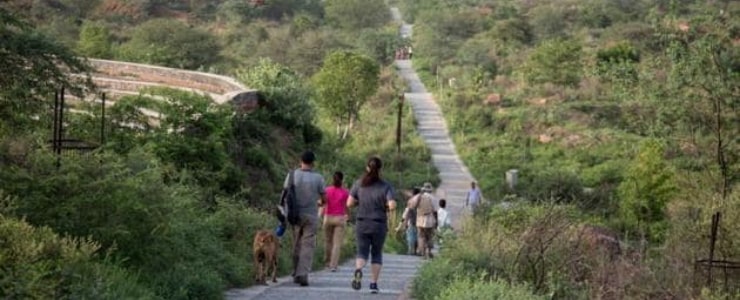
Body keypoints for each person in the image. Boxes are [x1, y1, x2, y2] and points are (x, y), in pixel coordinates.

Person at [347, 157, 397, 294]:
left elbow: (349, 203)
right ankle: (373, 284)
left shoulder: (359, 184)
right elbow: (392, 205)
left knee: (362, 252)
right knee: (376, 253)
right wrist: (385, 205)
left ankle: (358, 269)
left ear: (367, 168)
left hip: (362, 222)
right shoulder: (386, 186)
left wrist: (360, 202)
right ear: (380, 169)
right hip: (378, 224)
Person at [284, 150, 327, 287]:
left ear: (300, 161)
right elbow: (324, 199)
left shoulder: (292, 175)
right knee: (307, 245)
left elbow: (286, 193)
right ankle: (302, 273)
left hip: (295, 215)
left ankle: (295, 272)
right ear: (313, 163)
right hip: (311, 215)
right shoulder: (318, 178)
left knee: (296, 243)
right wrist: (319, 202)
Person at [321, 171, 349, 272]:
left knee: (328, 241)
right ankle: (334, 265)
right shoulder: (345, 192)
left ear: (332, 179)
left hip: (327, 217)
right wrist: (348, 215)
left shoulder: (326, 190)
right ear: (342, 180)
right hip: (340, 218)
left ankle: (327, 262)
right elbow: (347, 206)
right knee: (337, 243)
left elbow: (322, 203)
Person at [409, 182, 436, 259]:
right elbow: (435, 211)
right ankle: (429, 252)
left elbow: (411, 206)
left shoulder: (419, 196)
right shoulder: (432, 198)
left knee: (421, 236)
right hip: (430, 219)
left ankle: (423, 253)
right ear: (430, 190)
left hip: (420, 219)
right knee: (429, 236)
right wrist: (436, 221)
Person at [401, 187, 421, 255]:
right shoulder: (421, 201)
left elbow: (408, 213)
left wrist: (405, 223)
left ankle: (410, 250)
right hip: (420, 222)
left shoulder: (411, 201)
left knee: (411, 236)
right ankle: (416, 250)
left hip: (412, 221)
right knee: (417, 236)